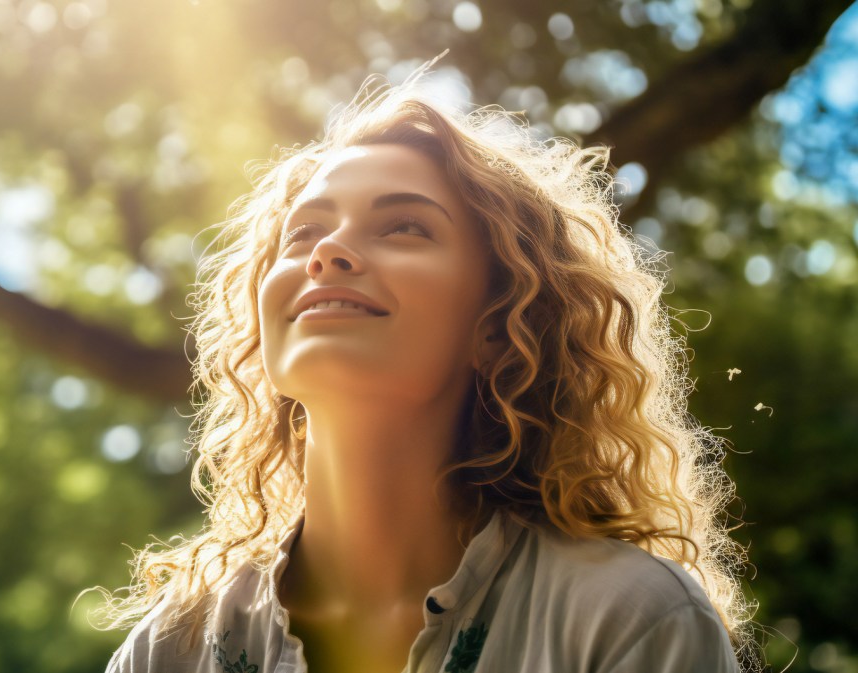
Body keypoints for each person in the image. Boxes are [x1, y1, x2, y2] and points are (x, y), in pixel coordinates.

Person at [95, 67, 755, 673]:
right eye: (303, 233)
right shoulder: (167, 651)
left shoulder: (629, 620)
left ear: (500, 325)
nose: (327, 252)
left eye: (404, 227)